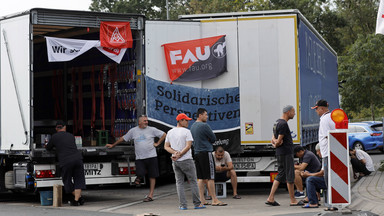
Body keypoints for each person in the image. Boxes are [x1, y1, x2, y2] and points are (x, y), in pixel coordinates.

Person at [106, 115, 166, 202]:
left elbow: (164, 134)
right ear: (139, 122)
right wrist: (113, 145)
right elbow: (123, 138)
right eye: (144, 121)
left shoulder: (152, 130)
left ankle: (151, 195)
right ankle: (139, 178)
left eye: (147, 121)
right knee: (140, 172)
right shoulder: (133, 131)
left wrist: (157, 143)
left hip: (151, 156)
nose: (146, 122)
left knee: (152, 176)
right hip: (140, 157)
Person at [164, 113, 205, 210]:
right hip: (186, 160)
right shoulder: (187, 132)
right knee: (193, 181)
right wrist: (180, 154)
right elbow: (188, 146)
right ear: (181, 121)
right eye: (186, 120)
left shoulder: (170, 132)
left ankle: (183, 205)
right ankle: (197, 204)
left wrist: (175, 153)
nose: (188, 122)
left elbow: (166, 146)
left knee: (179, 183)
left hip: (175, 161)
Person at [266, 105, 303, 206]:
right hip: (286, 153)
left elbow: (273, 138)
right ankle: (293, 200)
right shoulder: (283, 124)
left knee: (280, 174)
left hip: (280, 153)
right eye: (293, 112)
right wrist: (276, 143)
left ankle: (271, 197)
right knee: (290, 175)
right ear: (288, 112)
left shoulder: (277, 122)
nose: (294, 114)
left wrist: (274, 144)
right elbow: (278, 141)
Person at [190, 108, 227, 206]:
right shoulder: (204, 126)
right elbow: (213, 138)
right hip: (206, 152)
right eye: (206, 115)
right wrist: (207, 140)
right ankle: (215, 200)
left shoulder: (192, 126)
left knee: (201, 178)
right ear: (200, 115)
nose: (207, 117)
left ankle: (201, 200)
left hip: (197, 153)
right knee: (210, 177)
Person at [46, 120, 86, 206]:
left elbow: (48, 148)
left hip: (66, 161)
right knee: (79, 180)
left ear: (56, 128)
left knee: (67, 180)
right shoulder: (71, 136)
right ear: (65, 127)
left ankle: (78, 198)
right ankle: (76, 200)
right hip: (78, 158)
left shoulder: (54, 137)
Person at [311, 99, 336, 210]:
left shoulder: (325, 119)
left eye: (316, 109)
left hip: (327, 153)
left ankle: (331, 204)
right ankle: (332, 203)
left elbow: (327, 136)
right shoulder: (331, 117)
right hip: (331, 153)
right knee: (330, 179)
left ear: (321, 108)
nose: (316, 111)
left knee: (328, 180)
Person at [301, 144, 327, 209]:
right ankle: (314, 199)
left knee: (310, 179)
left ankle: (313, 202)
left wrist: (308, 175)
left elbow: (321, 173)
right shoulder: (325, 158)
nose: (317, 153)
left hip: (328, 180)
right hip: (328, 179)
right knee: (311, 178)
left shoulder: (326, 158)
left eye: (318, 151)